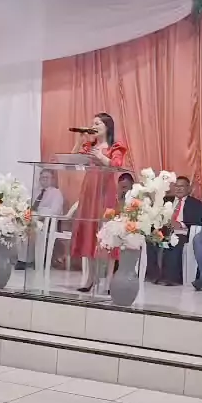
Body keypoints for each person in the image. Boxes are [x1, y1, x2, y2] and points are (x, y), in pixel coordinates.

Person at [70, 112, 127, 291]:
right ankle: (90, 278)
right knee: (89, 233)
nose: (93, 126)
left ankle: (109, 280)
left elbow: (117, 164)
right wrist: (80, 141)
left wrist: (101, 157)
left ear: (107, 127)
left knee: (107, 235)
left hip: (105, 192)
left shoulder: (115, 146)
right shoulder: (90, 146)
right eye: (92, 123)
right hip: (89, 192)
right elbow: (73, 159)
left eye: (97, 123)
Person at [146, 176, 202, 286]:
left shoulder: (195, 204)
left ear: (189, 188)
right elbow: (156, 216)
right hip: (164, 230)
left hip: (182, 232)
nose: (178, 189)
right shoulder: (166, 201)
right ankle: (153, 275)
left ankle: (171, 278)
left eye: (182, 186)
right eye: (176, 186)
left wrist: (180, 224)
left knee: (175, 241)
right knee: (150, 240)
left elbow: (198, 221)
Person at [15, 168, 64, 270]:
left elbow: (55, 211)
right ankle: (23, 259)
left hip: (45, 221)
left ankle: (35, 260)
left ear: (52, 179)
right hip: (30, 218)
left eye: (47, 178)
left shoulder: (56, 193)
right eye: (42, 178)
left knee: (34, 228)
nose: (44, 180)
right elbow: (27, 205)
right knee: (20, 227)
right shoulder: (35, 191)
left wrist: (39, 213)